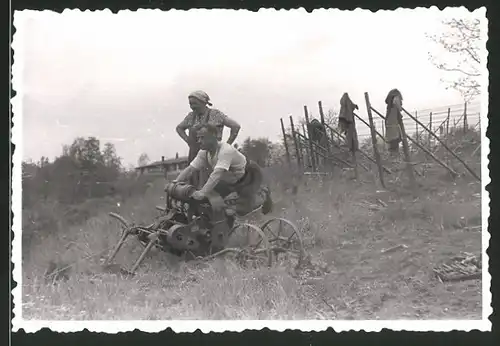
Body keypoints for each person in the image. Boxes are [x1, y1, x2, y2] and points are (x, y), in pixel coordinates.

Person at [174, 124, 273, 217]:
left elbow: (217, 175)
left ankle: (263, 196)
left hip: (249, 175)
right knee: (214, 202)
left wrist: (202, 193)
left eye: (202, 137)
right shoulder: (204, 152)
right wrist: (176, 182)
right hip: (231, 178)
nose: (199, 141)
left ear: (213, 136)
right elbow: (191, 169)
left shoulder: (225, 151)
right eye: (198, 138)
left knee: (241, 209)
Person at [176, 90, 241, 187]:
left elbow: (235, 126)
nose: (192, 106)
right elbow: (179, 128)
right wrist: (188, 140)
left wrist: (227, 144)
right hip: (194, 155)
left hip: (212, 154)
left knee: (211, 183)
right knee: (193, 183)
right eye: (190, 104)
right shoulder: (191, 117)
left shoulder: (215, 114)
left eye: (195, 103)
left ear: (203, 102)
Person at [384, 89, 404, 158]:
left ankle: (393, 157)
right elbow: (398, 106)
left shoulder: (389, 106)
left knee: (392, 140)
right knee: (395, 139)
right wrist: (400, 108)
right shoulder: (396, 98)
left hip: (390, 121)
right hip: (393, 122)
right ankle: (395, 158)